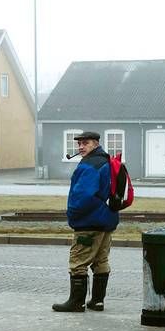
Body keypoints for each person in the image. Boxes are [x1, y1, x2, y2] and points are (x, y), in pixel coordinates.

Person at [52, 131, 119, 313]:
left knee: (78, 261)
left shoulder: (90, 165)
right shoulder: (106, 161)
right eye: (79, 144)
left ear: (96, 143)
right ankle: (97, 301)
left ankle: (76, 302)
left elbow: (82, 196)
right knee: (101, 260)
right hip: (107, 220)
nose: (80, 147)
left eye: (85, 143)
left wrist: (72, 214)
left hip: (89, 222)